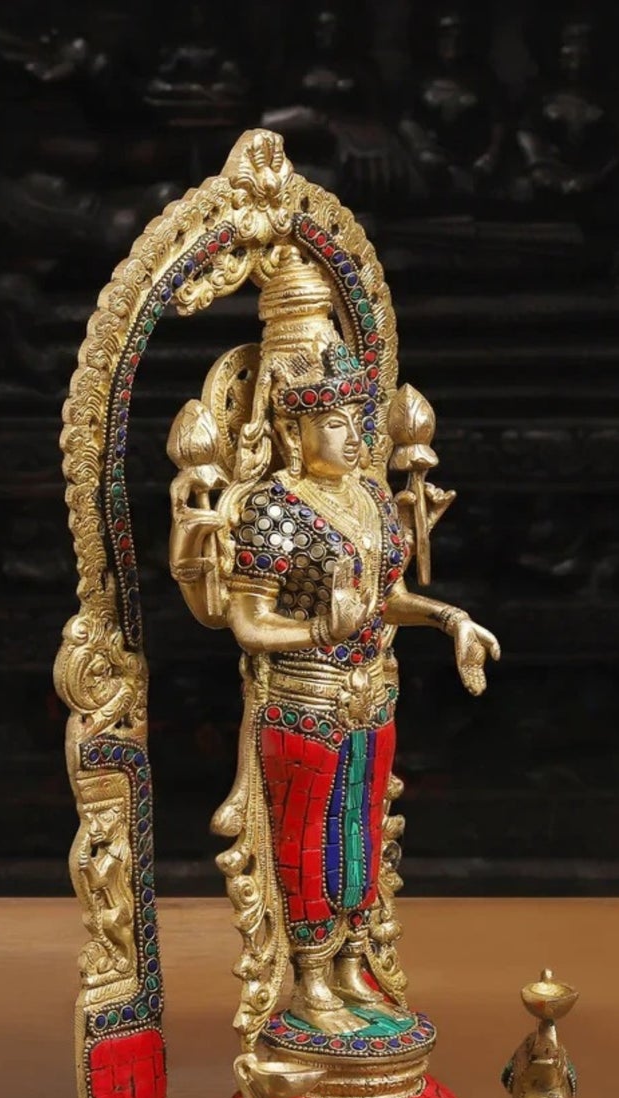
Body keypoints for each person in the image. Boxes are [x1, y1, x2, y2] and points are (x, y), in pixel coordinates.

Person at [170, 247, 500, 1032]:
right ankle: (312, 978)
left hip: (371, 694)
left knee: (360, 832)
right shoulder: (271, 509)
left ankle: (352, 962)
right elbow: (249, 624)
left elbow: (386, 600)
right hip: (304, 702)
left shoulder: (373, 500)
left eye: (356, 420)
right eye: (332, 422)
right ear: (292, 428)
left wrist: (448, 619)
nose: (351, 438)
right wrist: (321, 627)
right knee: (308, 838)